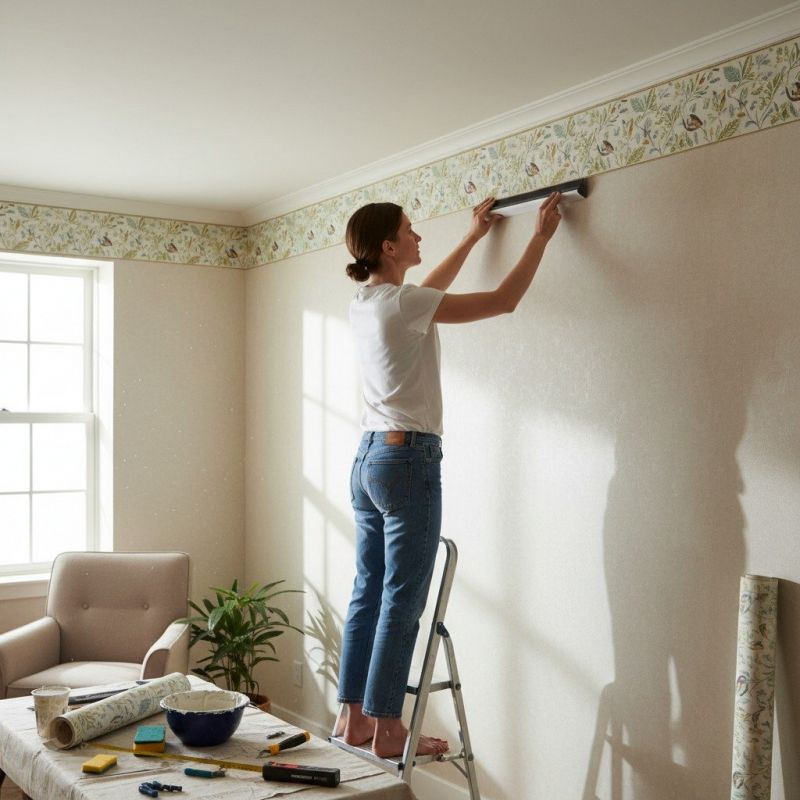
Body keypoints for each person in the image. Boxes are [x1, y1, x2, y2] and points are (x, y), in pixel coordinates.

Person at [337, 192, 563, 758]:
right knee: (401, 599)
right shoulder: (400, 304)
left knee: (368, 592)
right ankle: (390, 727)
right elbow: (504, 301)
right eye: (411, 231)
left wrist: (472, 237)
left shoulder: (368, 301)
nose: (418, 237)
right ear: (389, 246)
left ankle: (353, 717)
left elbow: (423, 296)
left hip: (368, 459)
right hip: (408, 460)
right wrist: (540, 237)